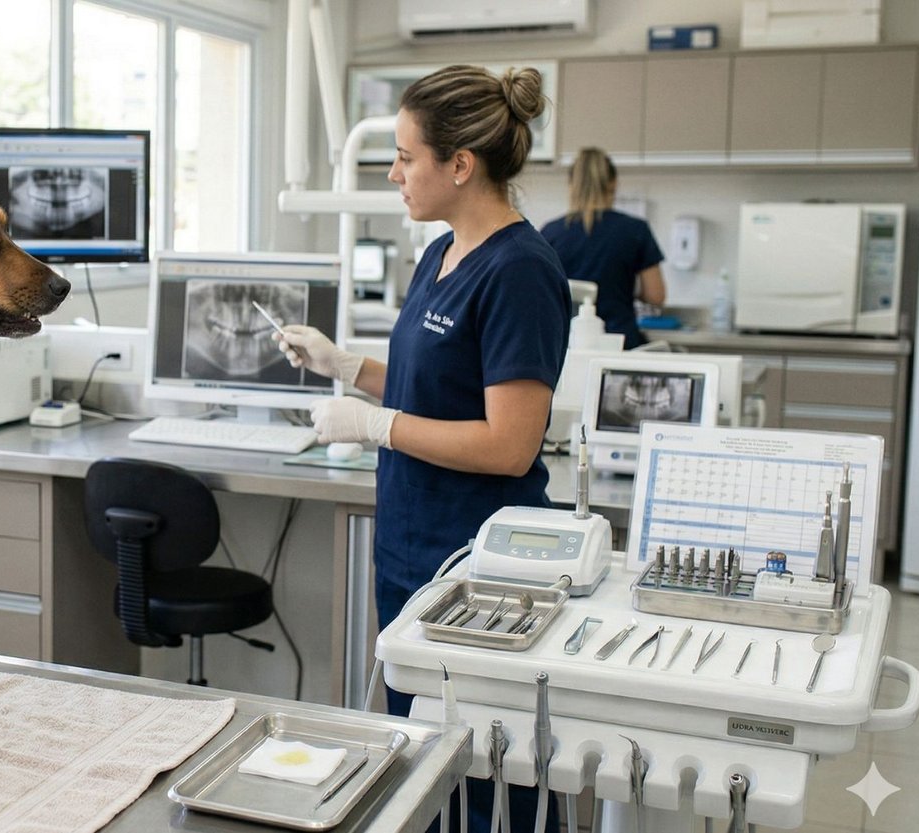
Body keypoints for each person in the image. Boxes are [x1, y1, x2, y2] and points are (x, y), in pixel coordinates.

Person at [275, 64, 569, 833]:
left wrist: (373, 426)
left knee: (479, 778)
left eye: (406, 156)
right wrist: (347, 365)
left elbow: (509, 444)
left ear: (460, 165)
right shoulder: (440, 255)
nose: (392, 171)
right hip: (411, 548)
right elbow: (430, 385)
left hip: (477, 565)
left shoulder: (520, 272)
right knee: (424, 761)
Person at [540, 147, 666, 349]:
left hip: (566, 347)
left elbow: (542, 294)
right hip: (619, 344)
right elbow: (656, 296)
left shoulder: (551, 233)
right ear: (613, 183)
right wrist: (623, 286)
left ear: (572, 185)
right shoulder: (635, 230)